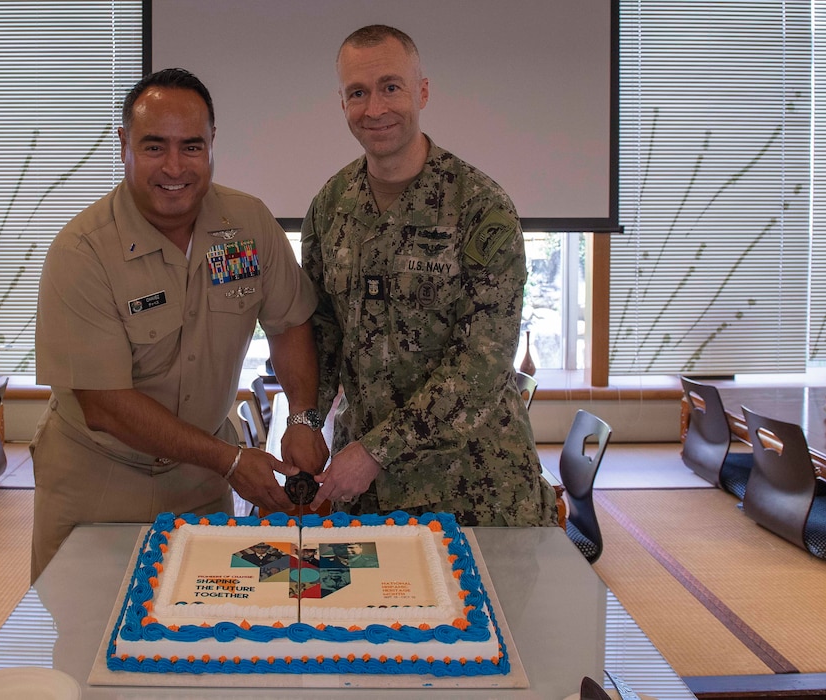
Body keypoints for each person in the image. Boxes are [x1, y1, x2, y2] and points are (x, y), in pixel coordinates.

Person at [31, 68, 329, 581]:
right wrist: (232, 462)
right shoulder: (82, 252)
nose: (174, 167)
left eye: (191, 147)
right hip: (99, 481)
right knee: (85, 639)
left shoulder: (248, 226)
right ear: (123, 144)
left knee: (203, 637)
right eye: (154, 147)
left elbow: (290, 322)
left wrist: (302, 415)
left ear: (213, 144)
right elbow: (105, 406)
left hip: (201, 482)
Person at [302, 25, 557, 527]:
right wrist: (307, 421)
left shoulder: (481, 208)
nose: (375, 108)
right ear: (343, 102)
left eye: (390, 87)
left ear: (422, 91)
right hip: (369, 495)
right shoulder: (331, 204)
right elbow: (323, 331)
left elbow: (481, 365)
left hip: (476, 488)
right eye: (358, 93)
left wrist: (375, 451)